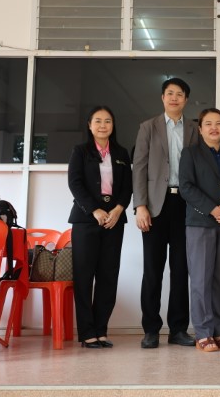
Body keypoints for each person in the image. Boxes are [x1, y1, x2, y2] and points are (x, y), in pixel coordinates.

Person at [133, 77, 199, 349]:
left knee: (181, 270)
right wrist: (140, 205)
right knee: (153, 270)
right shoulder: (148, 127)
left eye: (179, 94)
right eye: (169, 93)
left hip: (185, 205)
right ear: (162, 97)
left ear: (186, 99)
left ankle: (178, 329)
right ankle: (150, 329)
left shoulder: (194, 129)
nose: (174, 98)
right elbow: (139, 167)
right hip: (155, 206)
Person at [179, 108, 220, 352]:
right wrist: (214, 210)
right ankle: (203, 333)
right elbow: (186, 187)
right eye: (208, 123)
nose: (214, 128)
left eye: (219, 123)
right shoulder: (190, 153)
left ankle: (219, 331)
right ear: (200, 129)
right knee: (201, 279)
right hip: (201, 223)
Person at [67, 105, 132, 349]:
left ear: (113, 125)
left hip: (114, 220)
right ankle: (87, 333)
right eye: (98, 121)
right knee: (84, 276)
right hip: (86, 220)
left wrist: (118, 209)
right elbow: (75, 183)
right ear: (89, 125)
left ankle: (101, 330)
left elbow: (127, 186)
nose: (103, 125)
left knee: (108, 276)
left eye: (107, 121)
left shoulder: (121, 153)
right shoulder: (80, 151)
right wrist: (94, 210)